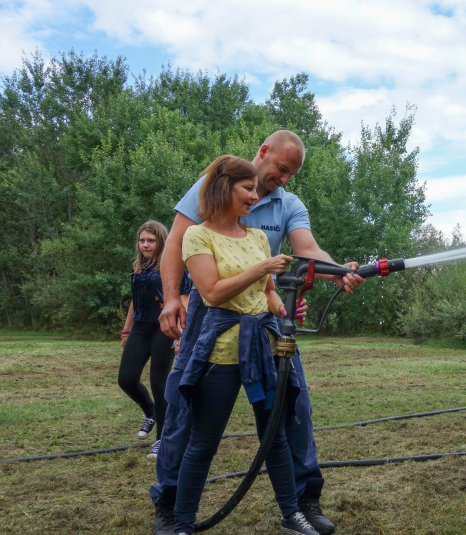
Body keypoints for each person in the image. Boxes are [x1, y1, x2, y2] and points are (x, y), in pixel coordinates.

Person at [151, 130, 365, 535]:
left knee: (291, 414)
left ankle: (301, 503)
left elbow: (308, 251)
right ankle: (171, 507)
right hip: (210, 324)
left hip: (266, 329)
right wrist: (170, 298)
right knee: (187, 418)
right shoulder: (212, 186)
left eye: (291, 174)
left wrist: (339, 273)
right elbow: (177, 244)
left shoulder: (284, 209)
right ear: (263, 153)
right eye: (281, 169)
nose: (283, 180)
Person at [173, 154, 316, 535]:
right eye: (248, 189)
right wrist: (261, 268)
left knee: (275, 436)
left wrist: (285, 313)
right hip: (220, 354)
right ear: (224, 187)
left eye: (256, 189)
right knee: (203, 443)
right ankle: (183, 523)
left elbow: (268, 293)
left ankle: (291, 513)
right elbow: (213, 293)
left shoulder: (256, 238)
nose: (256, 196)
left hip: (263, 349)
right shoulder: (197, 235)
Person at [119, 221, 190, 459]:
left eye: (151, 240)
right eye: (142, 240)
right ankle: (150, 412)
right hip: (140, 326)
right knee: (126, 379)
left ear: (161, 242)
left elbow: (184, 297)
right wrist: (126, 330)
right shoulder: (139, 266)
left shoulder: (173, 266)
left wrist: (181, 333)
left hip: (165, 326)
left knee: (159, 383)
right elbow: (135, 300)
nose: (145, 245)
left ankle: (163, 439)